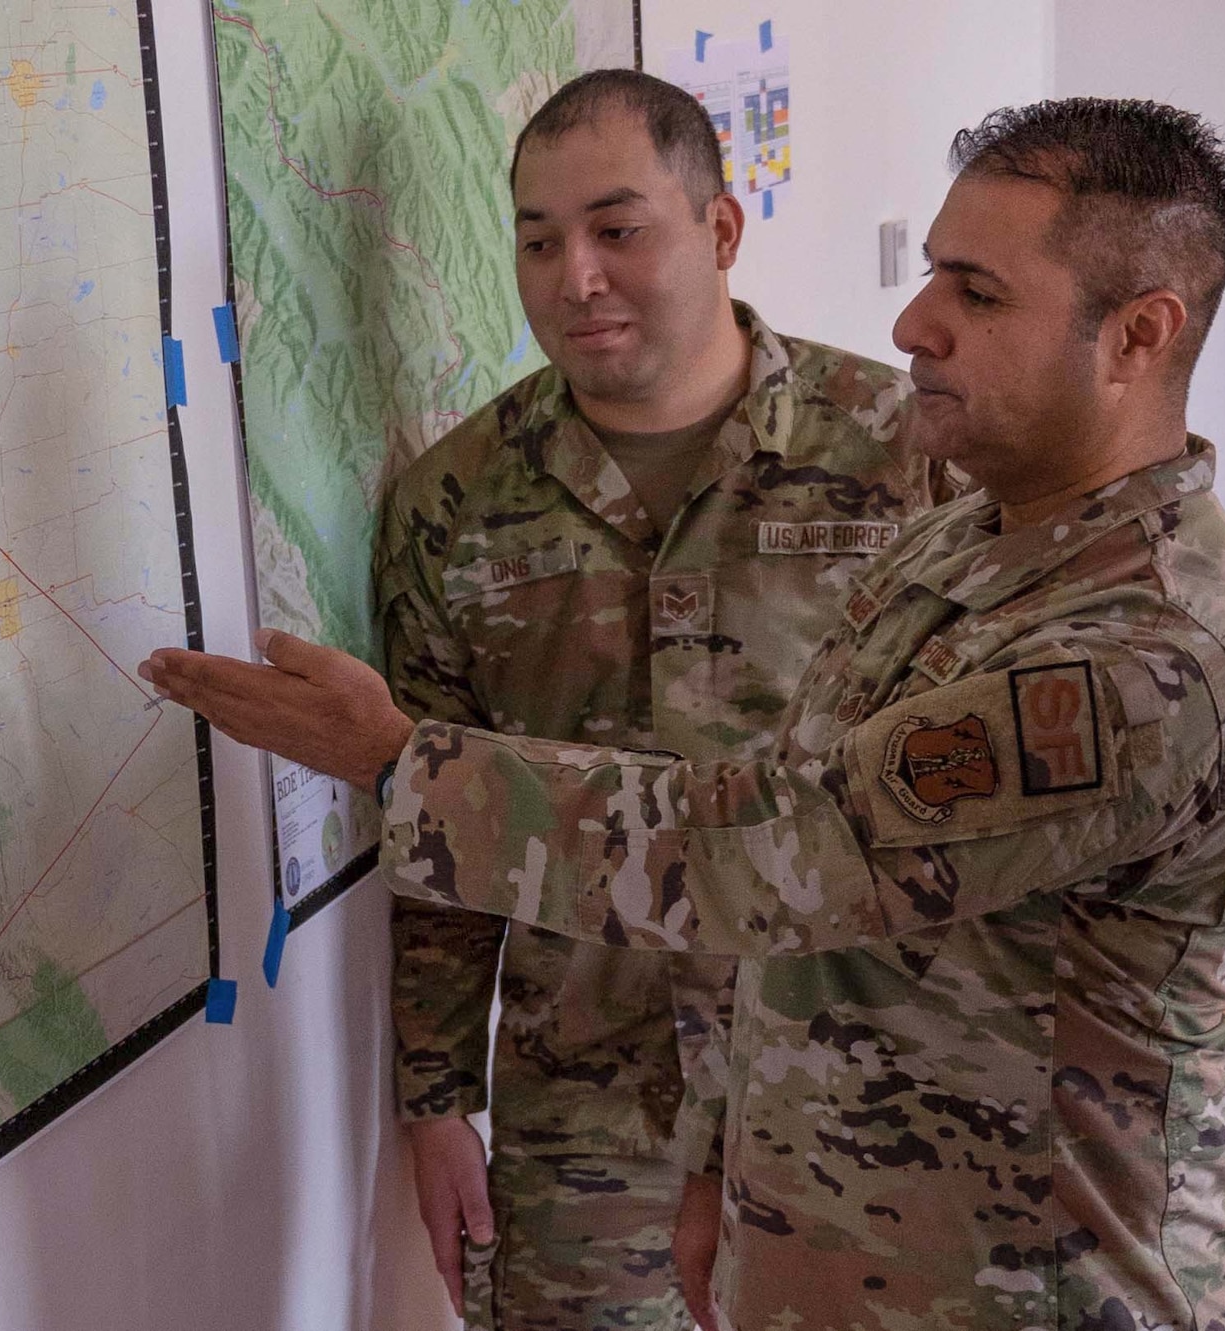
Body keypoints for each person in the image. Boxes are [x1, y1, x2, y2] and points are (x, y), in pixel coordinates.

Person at [142, 97, 1225, 1330]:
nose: (915, 323)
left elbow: (772, 848)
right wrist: (723, 1161)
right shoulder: (973, 539)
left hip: (1029, 1284)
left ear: (1135, 336)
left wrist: (394, 760)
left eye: (977, 292)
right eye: (929, 279)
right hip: (833, 1234)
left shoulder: (1132, 657)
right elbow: (803, 921)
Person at [379, 69, 952, 1330]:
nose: (573, 276)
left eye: (616, 230)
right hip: (585, 1098)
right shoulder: (453, 502)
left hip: (860, 1080)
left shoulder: (899, 454)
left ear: (721, 230)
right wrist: (434, 1099)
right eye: (538, 240)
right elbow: (431, 829)